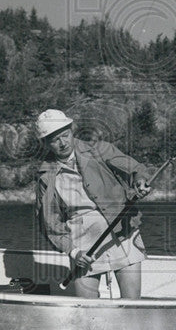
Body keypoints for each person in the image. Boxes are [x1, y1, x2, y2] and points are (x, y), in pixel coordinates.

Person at [34, 109, 151, 299]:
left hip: (122, 233)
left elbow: (135, 169)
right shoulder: (45, 177)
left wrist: (140, 181)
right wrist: (74, 252)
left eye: (65, 135)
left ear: (72, 131)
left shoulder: (99, 149)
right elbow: (50, 224)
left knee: (132, 305)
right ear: (45, 143)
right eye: (55, 140)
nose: (63, 143)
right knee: (88, 312)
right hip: (83, 248)